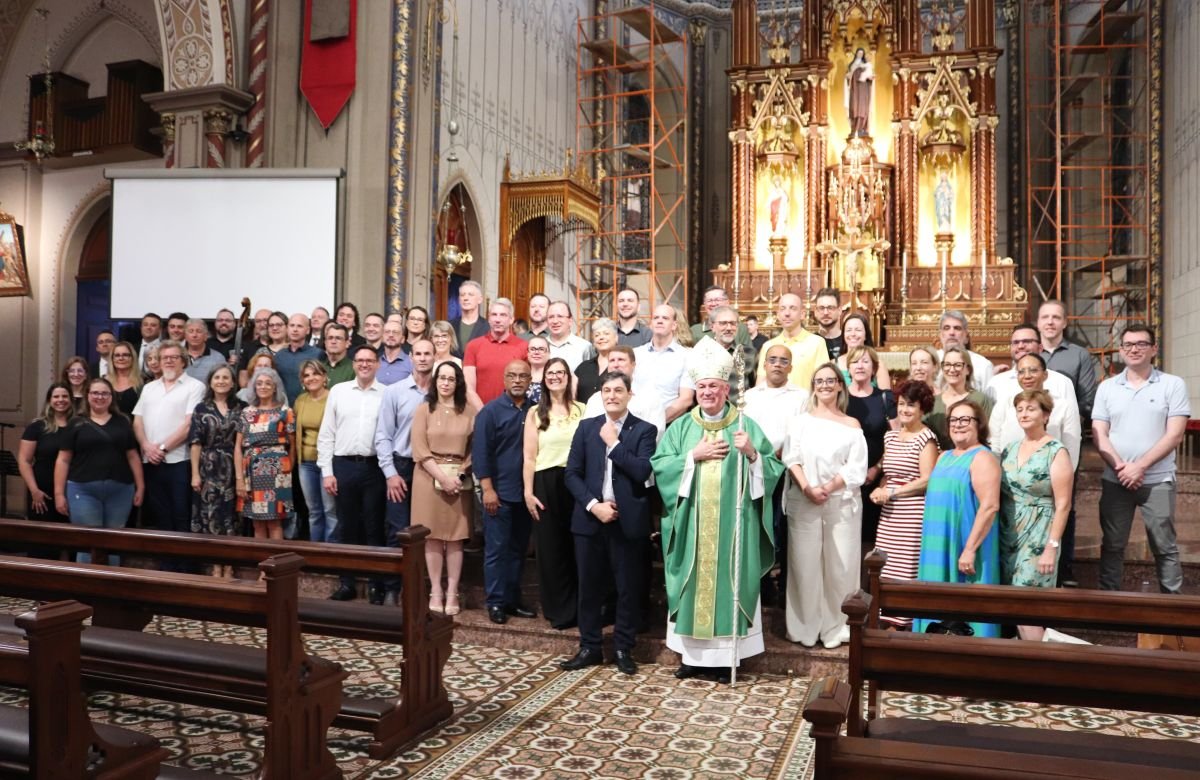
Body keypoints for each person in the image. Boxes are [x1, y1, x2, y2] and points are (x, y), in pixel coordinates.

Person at [652, 339, 783, 682]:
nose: (707, 392)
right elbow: (660, 466)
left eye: (714, 386)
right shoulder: (680, 428)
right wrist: (691, 458)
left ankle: (728, 660)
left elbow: (771, 469)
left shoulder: (745, 426)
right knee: (693, 584)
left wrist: (753, 453)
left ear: (727, 389)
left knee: (729, 583)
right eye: (702, 386)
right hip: (692, 526)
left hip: (733, 527)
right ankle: (691, 659)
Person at [561, 370, 657, 675]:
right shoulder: (587, 427)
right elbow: (571, 474)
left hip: (627, 522)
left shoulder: (644, 430)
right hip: (591, 520)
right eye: (606, 390)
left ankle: (622, 648)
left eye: (618, 390)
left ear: (630, 394)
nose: (612, 395)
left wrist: (615, 444)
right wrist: (593, 506)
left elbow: (642, 471)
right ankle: (589, 646)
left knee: (627, 588)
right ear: (600, 395)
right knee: (589, 587)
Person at [1092, 324, 1190, 594]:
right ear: (1121, 350)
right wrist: (1122, 467)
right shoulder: (1107, 388)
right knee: (1112, 544)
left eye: (1141, 344)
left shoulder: (1172, 384)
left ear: (1154, 349)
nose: (1134, 349)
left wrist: (1140, 467)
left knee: (1164, 545)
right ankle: (1108, 603)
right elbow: (1099, 433)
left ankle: (1172, 606)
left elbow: (1175, 435)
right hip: (1116, 479)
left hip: (1157, 480)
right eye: (1128, 345)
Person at [782, 363, 868, 649]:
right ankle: (805, 628)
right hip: (804, 498)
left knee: (840, 567)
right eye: (819, 381)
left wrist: (828, 487)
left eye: (831, 380)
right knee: (804, 566)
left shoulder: (852, 425)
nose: (826, 385)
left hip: (840, 502)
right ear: (813, 386)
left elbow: (857, 468)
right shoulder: (799, 421)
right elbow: (791, 458)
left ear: (841, 386)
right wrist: (807, 487)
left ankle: (837, 627)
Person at [913, 399, 1002, 637]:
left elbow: (990, 506)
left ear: (979, 424)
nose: (959, 425)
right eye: (954, 419)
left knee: (967, 608)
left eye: (966, 419)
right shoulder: (944, 457)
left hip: (965, 545)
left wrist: (970, 549)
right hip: (936, 546)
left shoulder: (983, 457)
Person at [999, 389, 1072, 641]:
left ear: (1046, 415)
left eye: (1030, 408)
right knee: (1013, 602)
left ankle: (1043, 665)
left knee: (1024, 604)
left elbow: (1063, 504)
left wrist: (1051, 547)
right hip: (1008, 533)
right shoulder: (1009, 449)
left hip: (1039, 534)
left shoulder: (1056, 451)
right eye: (1019, 409)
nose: (1024, 414)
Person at [318, 344, 388, 603]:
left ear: (378, 364)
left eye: (370, 360)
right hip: (343, 466)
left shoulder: (387, 394)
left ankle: (375, 584)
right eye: (360, 360)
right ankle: (346, 583)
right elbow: (327, 434)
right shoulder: (338, 392)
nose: (365, 364)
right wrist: (327, 471)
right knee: (346, 526)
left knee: (374, 527)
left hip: (374, 467)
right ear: (354, 363)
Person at [868, 380, 938, 628]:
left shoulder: (927, 438)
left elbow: (927, 480)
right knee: (885, 568)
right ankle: (884, 625)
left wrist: (893, 491)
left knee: (906, 570)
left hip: (912, 515)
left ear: (922, 409)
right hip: (889, 516)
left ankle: (905, 626)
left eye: (911, 405)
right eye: (901, 404)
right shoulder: (891, 436)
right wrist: (881, 488)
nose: (905, 409)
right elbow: (889, 472)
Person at [743, 344, 810, 599]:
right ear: (764, 365)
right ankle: (759, 583)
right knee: (758, 524)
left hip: (784, 469)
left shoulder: (801, 396)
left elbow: (803, 431)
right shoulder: (750, 396)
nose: (778, 364)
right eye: (773, 359)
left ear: (790, 367)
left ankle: (783, 586)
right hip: (753, 466)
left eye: (784, 361)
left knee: (782, 526)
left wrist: (783, 454)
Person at [523, 357, 585, 631]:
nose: (555, 377)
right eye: (550, 373)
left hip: (576, 481)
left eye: (561, 372)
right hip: (545, 482)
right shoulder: (535, 413)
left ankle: (580, 607)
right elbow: (528, 457)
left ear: (568, 377)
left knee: (577, 546)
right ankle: (558, 610)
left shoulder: (583, 410)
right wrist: (527, 492)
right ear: (544, 379)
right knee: (550, 548)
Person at [474, 360, 537, 624]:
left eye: (523, 376)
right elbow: (481, 454)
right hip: (498, 494)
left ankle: (512, 599)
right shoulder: (490, 412)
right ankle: (496, 602)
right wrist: (487, 489)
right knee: (496, 551)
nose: (517, 380)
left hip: (526, 495)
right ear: (504, 379)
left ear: (530, 380)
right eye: (512, 375)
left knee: (517, 550)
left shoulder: (535, 411)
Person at [54, 378, 144, 563]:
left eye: (105, 393)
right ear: (87, 396)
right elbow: (63, 460)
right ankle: (87, 589)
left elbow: (133, 455)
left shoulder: (122, 422)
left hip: (120, 489)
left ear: (111, 397)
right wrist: (58, 493)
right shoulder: (76, 423)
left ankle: (110, 589)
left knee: (113, 544)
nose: (100, 397)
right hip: (82, 489)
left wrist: (141, 486)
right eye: (95, 393)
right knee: (88, 543)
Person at [411, 360, 476, 616]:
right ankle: (436, 590)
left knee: (456, 538)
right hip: (428, 478)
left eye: (451, 378)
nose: (446, 383)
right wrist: (441, 477)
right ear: (435, 381)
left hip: (459, 479)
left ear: (458, 382)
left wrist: (458, 475)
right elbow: (419, 448)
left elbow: (474, 449)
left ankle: (453, 591)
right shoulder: (424, 409)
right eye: (442, 378)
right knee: (433, 538)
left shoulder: (469, 410)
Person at [375, 339, 436, 603]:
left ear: (435, 357)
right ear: (411, 357)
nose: (422, 358)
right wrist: (390, 473)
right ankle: (392, 588)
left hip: (432, 468)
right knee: (397, 530)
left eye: (428, 354)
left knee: (428, 531)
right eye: (418, 354)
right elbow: (383, 435)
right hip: (401, 466)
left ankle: (421, 588)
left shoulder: (443, 390)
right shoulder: (395, 391)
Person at [133, 340, 205, 538]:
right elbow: (137, 422)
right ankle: (166, 565)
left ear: (183, 361)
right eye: (165, 358)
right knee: (160, 515)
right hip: (150, 460)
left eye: (174, 357)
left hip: (178, 461)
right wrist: (147, 446)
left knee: (181, 515)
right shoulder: (149, 388)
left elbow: (189, 425)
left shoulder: (195, 386)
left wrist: (162, 449)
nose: (169, 362)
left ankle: (183, 566)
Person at [989, 353, 1080, 470]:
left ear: (1045, 375)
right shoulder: (1005, 403)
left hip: (1049, 476)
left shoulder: (1063, 405)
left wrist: (1064, 478)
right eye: (1021, 372)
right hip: (1008, 476)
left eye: (1033, 371)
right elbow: (994, 442)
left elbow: (1071, 446)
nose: (1027, 376)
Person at [189, 366, 244, 557]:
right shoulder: (201, 408)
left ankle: (230, 564)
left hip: (234, 467)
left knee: (231, 515)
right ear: (211, 382)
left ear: (232, 383)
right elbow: (195, 443)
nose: (221, 381)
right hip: (208, 468)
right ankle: (214, 564)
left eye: (226, 378)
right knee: (210, 513)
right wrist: (195, 474)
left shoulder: (241, 407)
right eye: (217, 377)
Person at [234, 367, 294, 540]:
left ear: (275, 387)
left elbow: (292, 446)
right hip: (251, 472)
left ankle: (277, 564)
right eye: (259, 383)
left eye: (268, 383)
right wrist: (239, 479)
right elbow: (238, 447)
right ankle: (262, 566)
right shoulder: (247, 413)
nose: (263, 387)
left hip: (278, 473)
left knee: (275, 522)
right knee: (257, 522)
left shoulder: (285, 412)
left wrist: (287, 472)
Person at [845, 346, 896, 546]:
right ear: (848, 368)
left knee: (870, 539)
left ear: (874, 368)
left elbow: (896, 438)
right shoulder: (839, 398)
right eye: (855, 361)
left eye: (866, 361)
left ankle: (869, 578)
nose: (860, 366)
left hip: (874, 479)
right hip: (844, 479)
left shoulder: (885, 398)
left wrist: (878, 468)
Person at [581, 346, 666, 439]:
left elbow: (657, 432)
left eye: (621, 360)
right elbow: (587, 432)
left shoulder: (650, 397)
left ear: (633, 365)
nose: (616, 364)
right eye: (612, 360)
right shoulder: (596, 399)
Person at [294, 360, 337, 543]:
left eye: (316, 373)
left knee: (330, 511)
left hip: (329, 462)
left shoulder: (334, 398)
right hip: (306, 463)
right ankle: (315, 554)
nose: (312, 378)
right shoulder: (300, 400)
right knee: (314, 511)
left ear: (324, 377)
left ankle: (331, 554)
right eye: (307, 375)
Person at [18, 383, 74, 524]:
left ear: (71, 400)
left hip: (73, 488)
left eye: (65, 396)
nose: (60, 400)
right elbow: (24, 461)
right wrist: (34, 490)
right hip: (42, 490)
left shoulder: (78, 426)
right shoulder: (36, 427)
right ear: (49, 400)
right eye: (56, 396)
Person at [633, 304, 695, 425]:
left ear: (674, 325)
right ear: (651, 324)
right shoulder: (636, 354)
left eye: (665, 318)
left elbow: (686, 399)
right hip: (635, 425)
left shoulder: (687, 356)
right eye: (656, 318)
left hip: (669, 426)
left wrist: (656, 422)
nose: (660, 321)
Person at [1038, 299, 1098, 420]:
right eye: (1045, 317)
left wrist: (1070, 423)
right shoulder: (1028, 354)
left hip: (1067, 426)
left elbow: (1087, 399)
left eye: (1056, 317)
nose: (1050, 322)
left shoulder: (1080, 355)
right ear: (1038, 322)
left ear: (1065, 323)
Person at [755, 293, 830, 390]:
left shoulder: (817, 343)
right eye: (783, 309)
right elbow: (760, 385)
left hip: (806, 404)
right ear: (777, 314)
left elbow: (823, 381)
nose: (787, 313)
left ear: (802, 314)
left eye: (793, 308)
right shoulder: (768, 346)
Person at [464, 298, 529, 409]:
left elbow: (527, 383)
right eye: (494, 315)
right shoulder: (473, 346)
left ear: (511, 319)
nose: (497, 320)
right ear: (489, 319)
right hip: (480, 412)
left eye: (503, 315)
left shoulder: (524, 346)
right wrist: (485, 414)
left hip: (513, 414)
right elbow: (469, 388)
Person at [926, 347, 992, 451]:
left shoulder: (979, 399)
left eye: (957, 365)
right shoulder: (933, 402)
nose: (952, 369)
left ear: (968, 369)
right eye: (947, 365)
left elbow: (986, 435)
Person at [704, 307, 756, 399]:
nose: (729, 328)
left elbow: (756, 387)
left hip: (740, 411)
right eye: (723, 323)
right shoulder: (702, 353)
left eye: (733, 323)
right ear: (712, 326)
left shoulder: (749, 353)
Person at [274, 313, 324, 403]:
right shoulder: (279, 356)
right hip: (283, 407)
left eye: (299, 326)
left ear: (308, 330)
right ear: (287, 328)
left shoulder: (318, 354)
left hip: (309, 405)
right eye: (292, 325)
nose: (295, 329)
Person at [937, 310, 994, 388]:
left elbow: (989, 399)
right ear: (940, 335)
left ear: (966, 337)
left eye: (957, 328)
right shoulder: (930, 361)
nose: (952, 332)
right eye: (947, 328)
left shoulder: (983, 365)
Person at [835, 313, 891, 389]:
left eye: (858, 330)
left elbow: (886, 397)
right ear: (843, 335)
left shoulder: (878, 365)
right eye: (849, 330)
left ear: (865, 335)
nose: (853, 334)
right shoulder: (834, 364)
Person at [572, 318, 618, 404]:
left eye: (606, 333)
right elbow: (572, 399)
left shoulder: (621, 366)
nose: (601, 337)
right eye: (597, 335)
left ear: (616, 338)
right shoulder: (583, 367)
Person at [545, 301, 595, 372]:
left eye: (560, 316)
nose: (555, 321)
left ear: (570, 320)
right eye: (551, 317)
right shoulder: (540, 346)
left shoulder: (584, 347)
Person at [449, 280, 489, 354]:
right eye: (462, 295)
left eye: (470, 294)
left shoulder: (488, 327)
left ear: (480, 299)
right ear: (459, 299)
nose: (465, 298)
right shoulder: (450, 325)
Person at [106, 341, 143, 416]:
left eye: (125, 355)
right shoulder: (104, 382)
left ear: (132, 358)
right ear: (112, 359)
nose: (121, 358)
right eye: (117, 355)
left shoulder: (142, 383)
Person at [845, 47, 873, 137]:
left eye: (862, 53)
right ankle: (854, 127)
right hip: (854, 89)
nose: (860, 55)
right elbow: (848, 77)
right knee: (854, 107)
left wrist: (870, 78)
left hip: (863, 89)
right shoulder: (851, 65)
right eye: (859, 53)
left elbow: (870, 77)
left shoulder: (866, 65)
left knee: (863, 108)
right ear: (856, 54)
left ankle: (862, 127)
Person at [376, 319, 413, 386]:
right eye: (387, 332)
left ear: (402, 339)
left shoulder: (411, 363)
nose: (391, 335)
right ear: (382, 338)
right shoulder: (374, 362)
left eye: (395, 332)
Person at [321, 322, 356, 386]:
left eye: (338, 338)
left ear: (347, 343)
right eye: (330, 338)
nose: (333, 341)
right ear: (325, 342)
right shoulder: (318, 368)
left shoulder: (354, 369)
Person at [813, 289, 844, 360]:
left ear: (839, 310)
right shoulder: (810, 341)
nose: (826, 312)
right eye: (821, 308)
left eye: (830, 308)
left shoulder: (848, 340)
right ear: (815, 312)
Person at [525, 335, 552, 404]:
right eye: (532, 349)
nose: (536, 352)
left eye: (541, 349)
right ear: (527, 353)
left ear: (549, 354)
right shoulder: (521, 378)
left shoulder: (554, 379)